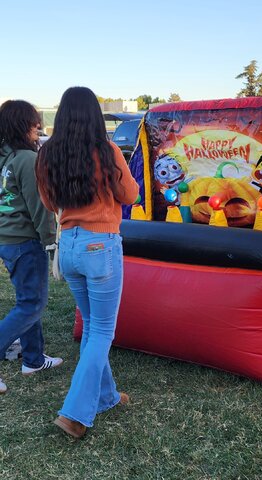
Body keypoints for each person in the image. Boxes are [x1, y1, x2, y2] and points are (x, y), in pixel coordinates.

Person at [35, 87, 139, 438]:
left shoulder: (47, 154)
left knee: (93, 325)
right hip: (101, 245)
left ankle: (106, 396)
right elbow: (130, 195)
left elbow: (49, 203)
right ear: (95, 115)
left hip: (70, 247)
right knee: (102, 332)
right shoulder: (107, 150)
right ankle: (75, 413)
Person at [0, 100, 62, 395]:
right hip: (25, 242)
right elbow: (40, 208)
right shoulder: (26, 158)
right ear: (22, 125)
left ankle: (34, 359)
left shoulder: (7, 157)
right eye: (34, 123)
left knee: (29, 300)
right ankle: (30, 357)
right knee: (31, 304)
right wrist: (51, 242)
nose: (38, 128)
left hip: (9, 240)